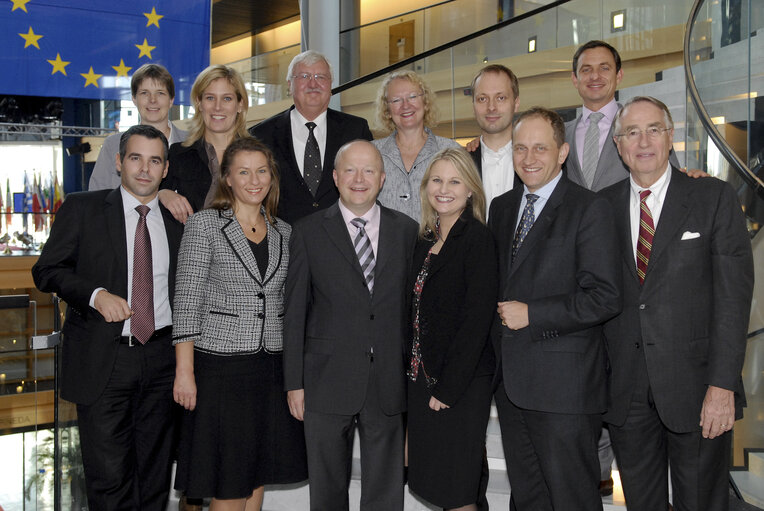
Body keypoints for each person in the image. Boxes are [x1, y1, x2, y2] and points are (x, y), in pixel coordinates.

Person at [601, 96, 754, 511]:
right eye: (631, 132)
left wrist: (722, 386)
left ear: (671, 138)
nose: (643, 140)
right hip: (627, 396)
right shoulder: (600, 208)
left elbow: (733, 300)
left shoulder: (713, 197)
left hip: (699, 391)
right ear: (619, 145)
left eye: (654, 129)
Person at [32, 125, 184, 510]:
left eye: (154, 161)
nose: (145, 169)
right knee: (109, 480)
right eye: (136, 158)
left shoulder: (178, 219)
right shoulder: (83, 207)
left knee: (154, 478)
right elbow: (47, 270)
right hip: (105, 360)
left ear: (165, 169)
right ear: (119, 162)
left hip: (163, 360)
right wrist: (96, 296)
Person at [488, 107, 622, 510]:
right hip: (511, 384)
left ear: (562, 152)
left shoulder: (589, 208)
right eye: (521, 148)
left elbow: (604, 295)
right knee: (528, 498)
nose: (529, 158)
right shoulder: (502, 206)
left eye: (540, 148)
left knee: (571, 499)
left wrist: (534, 313)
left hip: (565, 389)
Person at [172, 136, 307, 510]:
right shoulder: (204, 225)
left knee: (256, 474)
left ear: (272, 177)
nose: (254, 180)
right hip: (221, 370)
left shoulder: (285, 231)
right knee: (229, 483)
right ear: (227, 178)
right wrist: (185, 372)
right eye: (243, 171)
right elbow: (186, 303)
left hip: (270, 368)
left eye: (262, 171)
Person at [283, 140, 418, 510]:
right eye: (351, 170)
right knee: (326, 490)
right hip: (324, 379)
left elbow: (412, 309)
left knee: (385, 491)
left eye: (369, 170)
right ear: (336, 177)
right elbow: (294, 312)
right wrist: (293, 382)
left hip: (388, 379)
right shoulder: (308, 231)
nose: (360, 179)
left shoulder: (407, 230)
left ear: (382, 177)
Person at [406, 147, 497, 511]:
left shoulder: (477, 239)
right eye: (437, 180)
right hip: (421, 380)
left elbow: (476, 322)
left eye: (455, 181)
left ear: (470, 189)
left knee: (457, 490)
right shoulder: (424, 239)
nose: (444, 189)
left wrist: (448, 388)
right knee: (440, 485)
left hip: (458, 387)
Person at [249, 50, 373, 224]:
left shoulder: (355, 130)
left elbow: (370, 184)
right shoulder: (261, 135)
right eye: (304, 76)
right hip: (283, 241)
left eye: (321, 77)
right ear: (289, 84)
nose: (313, 84)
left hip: (343, 239)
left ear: (330, 84)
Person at [159, 65, 249, 223]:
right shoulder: (179, 154)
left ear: (240, 104)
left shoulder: (259, 156)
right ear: (199, 103)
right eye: (210, 98)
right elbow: (148, 198)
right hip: (190, 245)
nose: (217, 107)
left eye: (227, 98)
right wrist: (162, 194)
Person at [372, 70, 459, 220]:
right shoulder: (372, 153)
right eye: (396, 100)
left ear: (425, 103)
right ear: (387, 110)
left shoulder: (451, 150)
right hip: (386, 243)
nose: (405, 106)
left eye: (412, 97)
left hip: (439, 243)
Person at [89, 64, 188, 191]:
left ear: (171, 100)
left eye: (160, 93)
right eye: (144, 93)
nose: (152, 100)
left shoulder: (193, 143)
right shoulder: (113, 145)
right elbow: (97, 198)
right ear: (134, 99)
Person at [468, 64, 522, 209]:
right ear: (473, 105)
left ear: (516, 103)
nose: (491, 107)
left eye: (500, 98)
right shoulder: (461, 163)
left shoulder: (535, 160)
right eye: (482, 99)